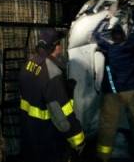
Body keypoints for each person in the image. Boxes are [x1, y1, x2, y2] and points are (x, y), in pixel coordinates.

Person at [19, 28, 85, 162]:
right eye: (59, 43)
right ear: (55, 47)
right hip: (47, 139)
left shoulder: (28, 65)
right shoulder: (52, 73)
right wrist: (78, 139)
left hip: (29, 135)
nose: (61, 46)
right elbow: (62, 114)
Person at [93, 19, 134, 162]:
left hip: (112, 93)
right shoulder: (132, 47)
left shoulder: (109, 49)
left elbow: (96, 35)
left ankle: (103, 156)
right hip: (133, 90)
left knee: (108, 124)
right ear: (124, 35)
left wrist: (104, 21)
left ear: (112, 37)